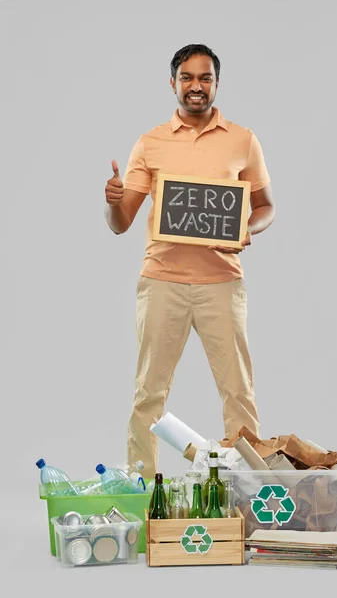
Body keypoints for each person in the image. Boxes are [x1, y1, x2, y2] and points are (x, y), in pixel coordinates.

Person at [104, 44, 275, 478]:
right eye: (187, 77)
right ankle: (143, 493)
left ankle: (248, 492)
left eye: (205, 78)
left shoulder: (243, 140)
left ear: (216, 83)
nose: (196, 86)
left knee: (239, 392)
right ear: (173, 83)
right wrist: (113, 201)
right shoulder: (151, 143)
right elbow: (121, 222)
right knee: (148, 394)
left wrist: (247, 230)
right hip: (162, 282)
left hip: (223, 282)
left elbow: (265, 206)